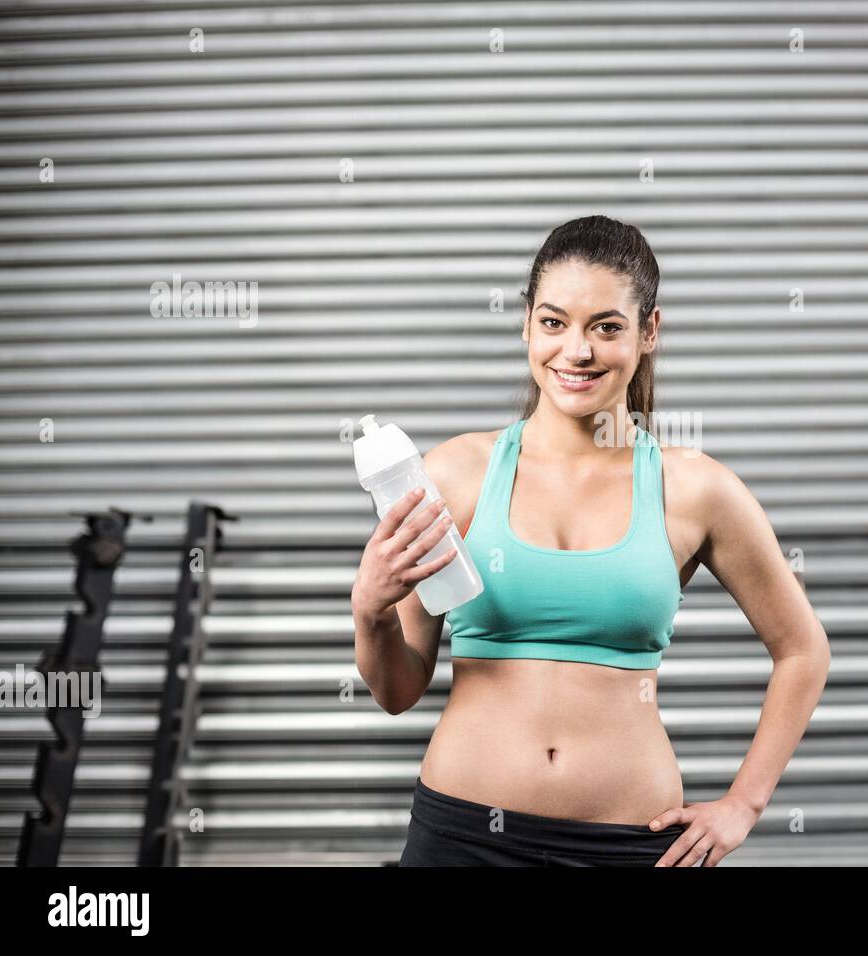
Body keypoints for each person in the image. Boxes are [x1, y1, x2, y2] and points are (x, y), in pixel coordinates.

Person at [352, 214, 830, 866]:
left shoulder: (694, 490)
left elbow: (803, 650)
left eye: (606, 327)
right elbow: (399, 691)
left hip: (627, 847)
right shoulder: (455, 474)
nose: (576, 351)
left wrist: (742, 804)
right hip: (462, 837)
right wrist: (372, 611)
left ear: (649, 332)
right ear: (526, 324)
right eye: (553, 323)